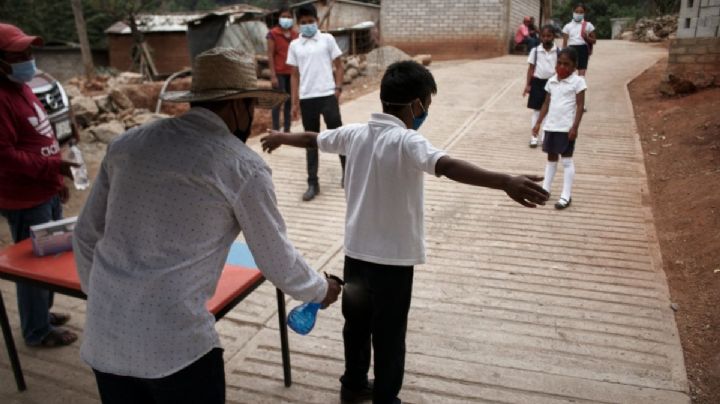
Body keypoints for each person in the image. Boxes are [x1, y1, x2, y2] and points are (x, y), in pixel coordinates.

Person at [261, 61, 549, 404]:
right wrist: (503, 180)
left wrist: (281, 137)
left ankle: (352, 387)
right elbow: (448, 166)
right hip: (393, 264)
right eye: (426, 103)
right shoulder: (407, 140)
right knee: (390, 334)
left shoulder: (355, 134)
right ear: (416, 104)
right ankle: (385, 397)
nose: (425, 111)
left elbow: (313, 138)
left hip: (355, 256)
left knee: (356, 327)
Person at [73, 48, 342, 404]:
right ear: (236, 106)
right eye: (251, 107)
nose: (251, 118)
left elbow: (85, 235)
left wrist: (112, 299)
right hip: (176, 347)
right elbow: (275, 257)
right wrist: (320, 290)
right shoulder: (241, 166)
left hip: (105, 337)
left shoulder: (127, 144)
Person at [0, 23, 78, 348]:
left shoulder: (23, 88)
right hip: (25, 197)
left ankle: (42, 315)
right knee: (32, 264)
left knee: (48, 256)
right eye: (19, 54)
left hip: (44, 189)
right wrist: (52, 167)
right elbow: (5, 156)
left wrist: (55, 179)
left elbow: (43, 137)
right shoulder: (1, 98)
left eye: (30, 51)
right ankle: (36, 331)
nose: (29, 58)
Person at [286, 3, 345, 201]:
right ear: (298, 24)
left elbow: (339, 65)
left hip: (328, 95)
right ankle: (313, 183)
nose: (308, 25)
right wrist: (294, 103)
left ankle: (348, 173)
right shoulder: (294, 45)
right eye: (303, 22)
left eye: (311, 21)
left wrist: (337, 89)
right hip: (307, 99)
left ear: (317, 21)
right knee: (310, 141)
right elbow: (294, 75)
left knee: (337, 136)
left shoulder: (327, 39)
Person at [532, 48, 586, 210]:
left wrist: (574, 127)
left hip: (566, 128)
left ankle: (566, 195)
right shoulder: (552, 81)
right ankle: (545, 190)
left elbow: (580, 105)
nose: (562, 67)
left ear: (574, 66)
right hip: (551, 126)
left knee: (567, 161)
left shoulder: (578, 82)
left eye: (566, 64)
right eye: (559, 63)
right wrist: (539, 122)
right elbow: (546, 103)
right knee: (551, 158)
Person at [523, 25, 559, 148]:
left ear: (554, 36)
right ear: (540, 37)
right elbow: (531, 69)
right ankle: (534, 137)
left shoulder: (558, 51)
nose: (546, 38)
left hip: (552, 84)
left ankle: (545, 137)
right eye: (543, 36)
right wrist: (527, 85)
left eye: (549, 36)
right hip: (537, 83)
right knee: (537, 111)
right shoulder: (535, 51)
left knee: (549, 111)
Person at [267, 6, 298, 133]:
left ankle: (287, 129)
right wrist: (273, 75)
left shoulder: (296, 35)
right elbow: (270, 54)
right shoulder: (273, 34)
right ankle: (275, 129)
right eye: (284, 17)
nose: (286, 19)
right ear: (279, 18)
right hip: (279, 73)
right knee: (277, 101)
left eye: (289, 17)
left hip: (292, 74)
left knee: (289, 101)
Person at [562, 3, 596, 77]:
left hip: (583, 50)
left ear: (584, 13)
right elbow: (564, 44)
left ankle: (580, 88)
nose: (578, 14)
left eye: (581, 12)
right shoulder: (567, 26)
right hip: (571, 50)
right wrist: (563, 55)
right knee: (570, 74)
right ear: (573, 12)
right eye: (577, 12)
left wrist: (586, 38)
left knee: (581, 76)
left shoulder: (588, 25)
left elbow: (594, 41)